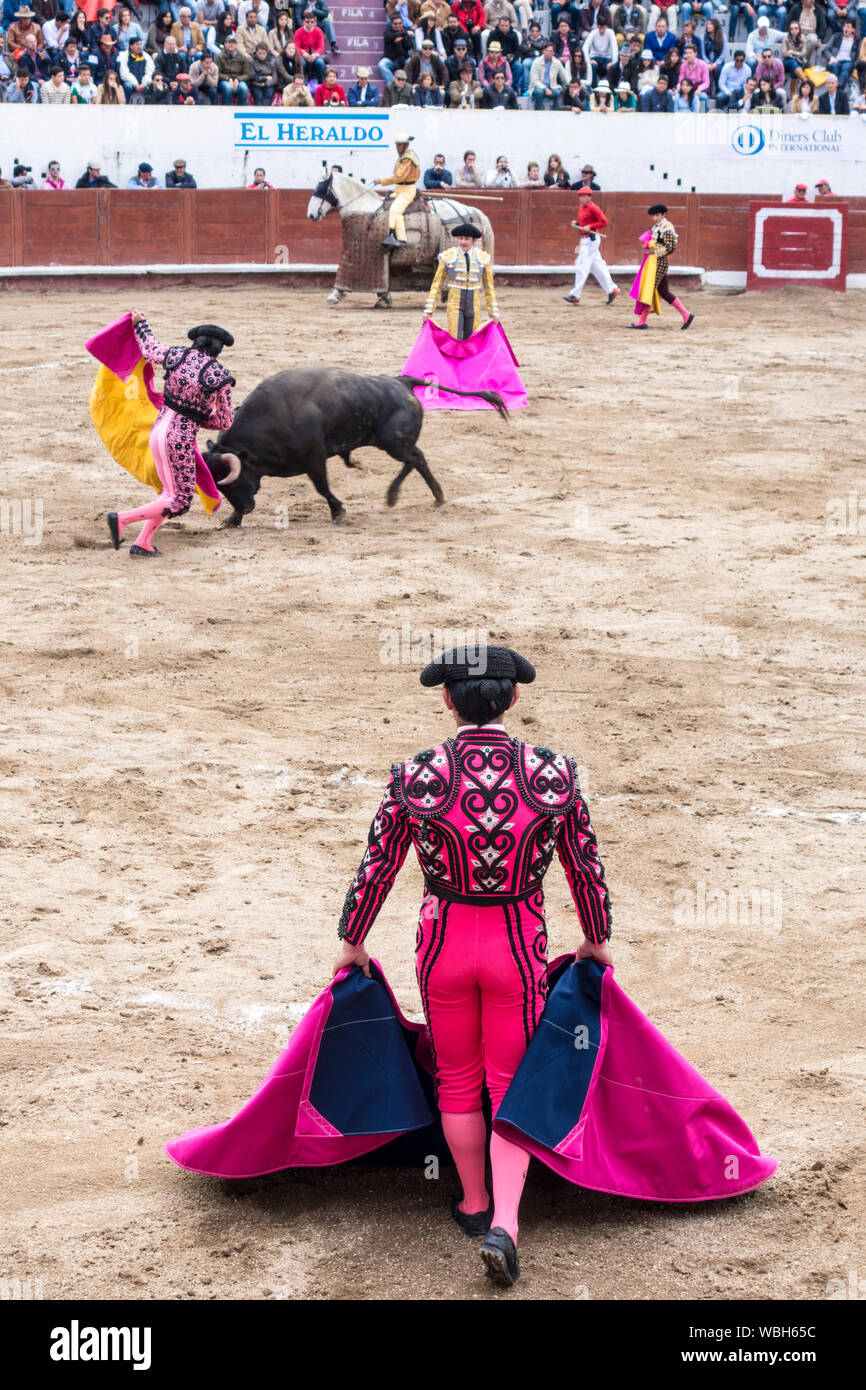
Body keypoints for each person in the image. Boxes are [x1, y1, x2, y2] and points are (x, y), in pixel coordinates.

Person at [333, 644, 613, 1286]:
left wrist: (353, 939)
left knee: (457, 1075)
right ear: (514, 700)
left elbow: (378, 865)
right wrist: (596, 938)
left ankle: (471, 1201)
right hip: (517, 943)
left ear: (445, 700)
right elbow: (584, 866)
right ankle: (507, 1224)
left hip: (445, 943)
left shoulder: (415, 775)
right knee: (510, 1081)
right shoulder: (556, 773)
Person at [106, 316, 235, 559]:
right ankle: (122, 519)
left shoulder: (176, 355)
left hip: (157, 432)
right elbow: (225, 421)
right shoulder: (220, 376)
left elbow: (149, 347)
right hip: (179, 439)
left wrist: (140, 324)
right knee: (181, 500)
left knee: (169, 493)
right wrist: (199, 418)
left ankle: (142, 542)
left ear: (196, 342)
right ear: (218, 349)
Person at [423, 221, 498, 339]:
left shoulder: (483, 258)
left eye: (466, 239)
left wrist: (493, 313)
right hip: (454, 303)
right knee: (455, 338)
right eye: (461, 238)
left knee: (471, 340)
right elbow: (437, 284)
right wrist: (429, 310)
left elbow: (489, 288)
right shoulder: (448, 256)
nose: (463, 242)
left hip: (474, 305)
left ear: (473, 240)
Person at [630, 203, 693, 330]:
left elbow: (670, 247)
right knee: (664, 292)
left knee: (650, 289)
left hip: (660, 262)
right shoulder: (656, 227)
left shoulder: (667, 227)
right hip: (654, 262)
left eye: (657, 215)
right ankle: (686, 314)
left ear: (664, 214)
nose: (654, 218)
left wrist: (654, 252)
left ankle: (642, 321)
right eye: (653, 216)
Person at [564, 185, 619, 305]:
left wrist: (591, 227)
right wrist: (577, 223)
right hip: (585, 239)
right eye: (580, 196)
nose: (582, 198)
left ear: (589, 197)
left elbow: (604, 222)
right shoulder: (581, 207)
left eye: (584, 196)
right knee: (597, 267)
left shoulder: (594, 208)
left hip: (590, 240)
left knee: (581, 266)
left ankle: (575, 295)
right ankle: (612, 290)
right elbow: (584, 222)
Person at [375, 133, 420, 250]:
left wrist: (381, 181)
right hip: (399, 189)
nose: (397, 147)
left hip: (407, 191)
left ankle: (398, 238)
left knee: (395, 210)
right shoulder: (405, 156)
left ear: (405, 145)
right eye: (396, 145)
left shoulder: (408, 159)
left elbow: (399, 177)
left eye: (399, 145)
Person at [530, 40, 568, 107]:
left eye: (550, 51)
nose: (548, 53)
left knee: (558, 92)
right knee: (539, 92)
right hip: (539, 86)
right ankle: (537, 111)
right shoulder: (536, 62)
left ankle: (555, 112)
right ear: (543, 51)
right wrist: (545, 88)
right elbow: (534, 80)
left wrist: (571, 85)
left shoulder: (557, 62)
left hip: (553, 86)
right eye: (546, 51)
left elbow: (564, 77)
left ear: (553, 53)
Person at [217, 35, 251, 104]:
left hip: (238, 80)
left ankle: (241, 111)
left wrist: (238, 79)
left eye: (233, 43)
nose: (231, 44)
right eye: (229, 42)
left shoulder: (242, 57)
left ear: (236, 45)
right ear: (225, 44)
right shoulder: (219, 57)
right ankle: (226, 109)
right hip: (224, 80)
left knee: (243, 88)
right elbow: (216, 73)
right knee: (228, 88)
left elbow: (247, 74)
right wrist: (227, 78)